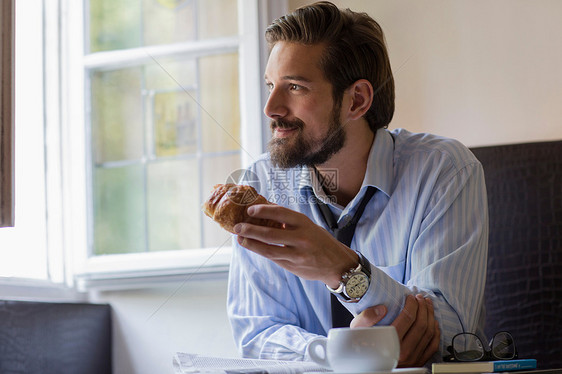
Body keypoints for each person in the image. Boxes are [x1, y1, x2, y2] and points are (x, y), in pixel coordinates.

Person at [226, 1, 488, 367]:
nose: (271, 107)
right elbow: (256, 337)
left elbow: (445, 336)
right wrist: (339, 353)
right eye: (271, 85)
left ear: (358, 100)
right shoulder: (260, 184)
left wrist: (342, 268)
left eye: (295, 87)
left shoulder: (444, 171)